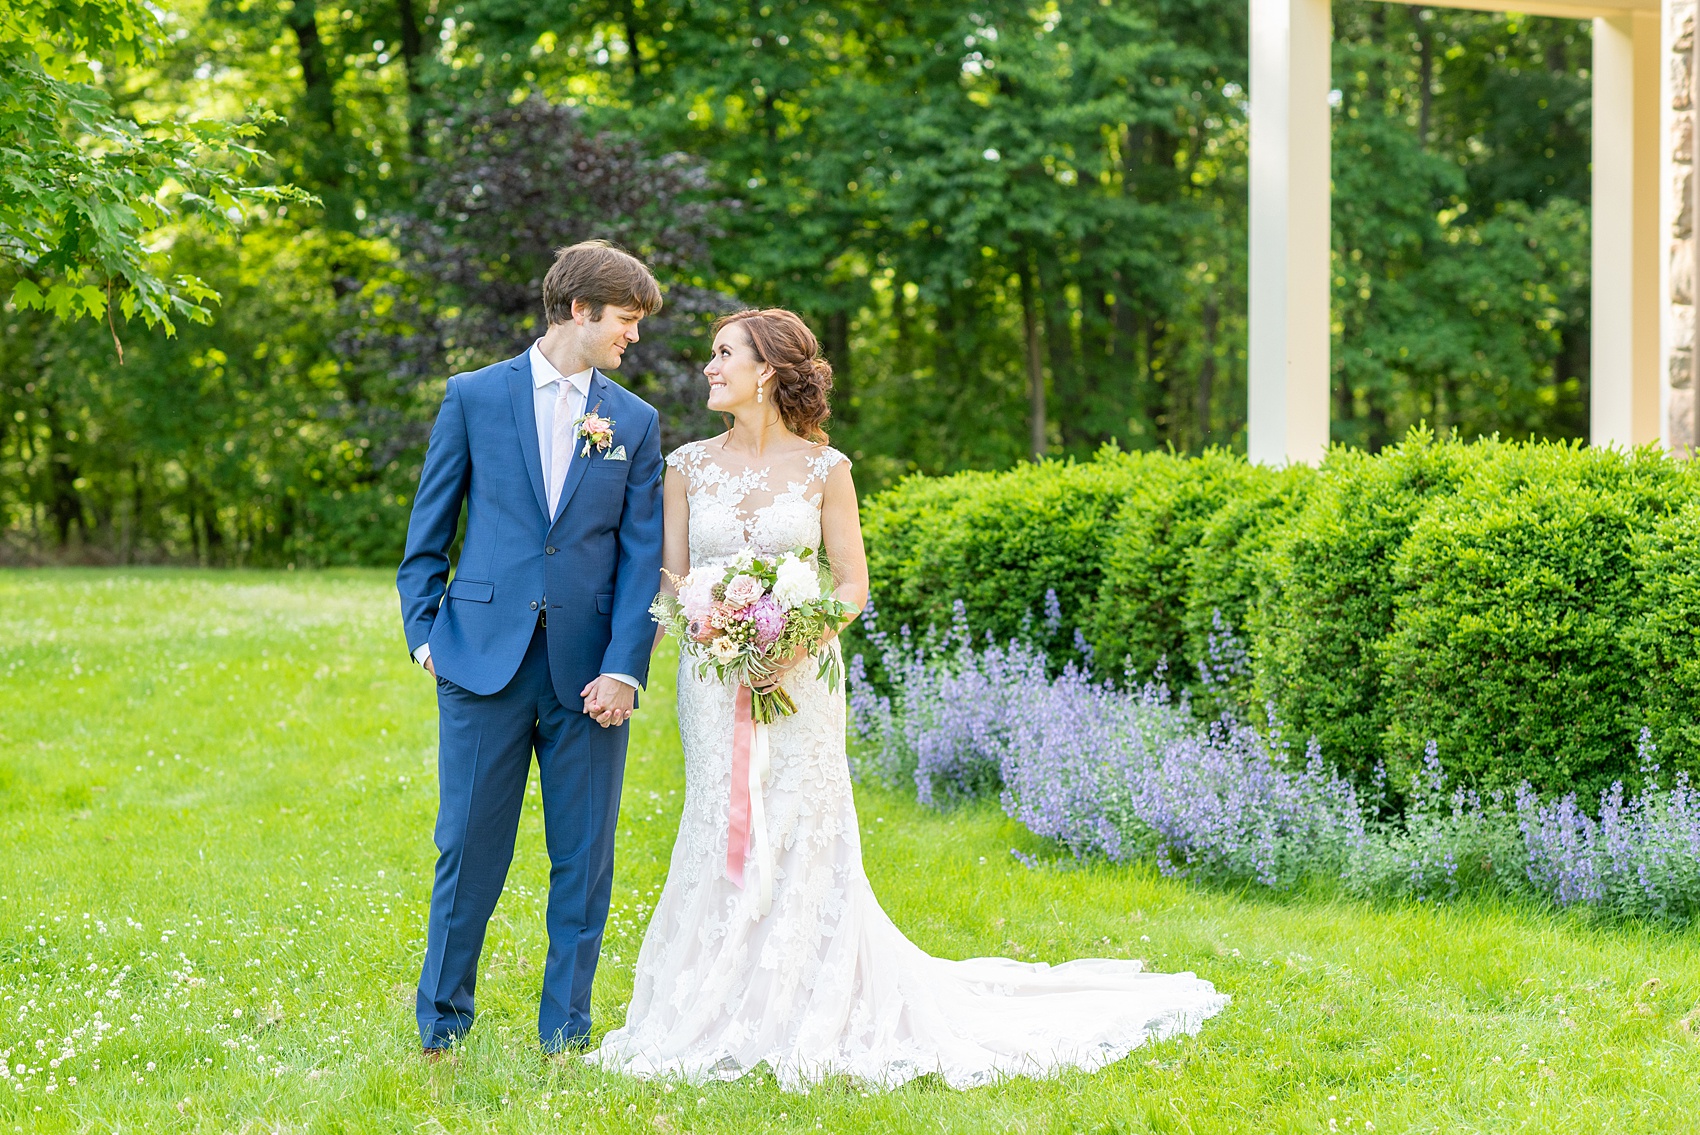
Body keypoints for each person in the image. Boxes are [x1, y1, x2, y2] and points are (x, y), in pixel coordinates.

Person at [591, 309, 1229, 1089]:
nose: (708, 367)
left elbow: (853, 585)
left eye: (723, 354)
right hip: (714, 677)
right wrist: (693, 635)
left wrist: (790, 643)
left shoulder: (828, 469)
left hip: (801, 676)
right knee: (721, 819)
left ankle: (802, 997)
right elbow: (672, 576)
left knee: (799, 823)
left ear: (766, 369)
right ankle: (717, 996)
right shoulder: (686, 464)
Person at [396, 240, 665, 1054]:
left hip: (591, 676)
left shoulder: (635, 420)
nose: (635, 338)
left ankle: (566, 1031)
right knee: (467, 849)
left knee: (583, 859)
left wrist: (624, 665)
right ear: (579, 310)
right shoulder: (474, 396)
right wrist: (424, 638)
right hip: (480, 662)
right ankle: (442, 1025)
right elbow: (427, 535)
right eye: (626, 320)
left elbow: (641, 555)